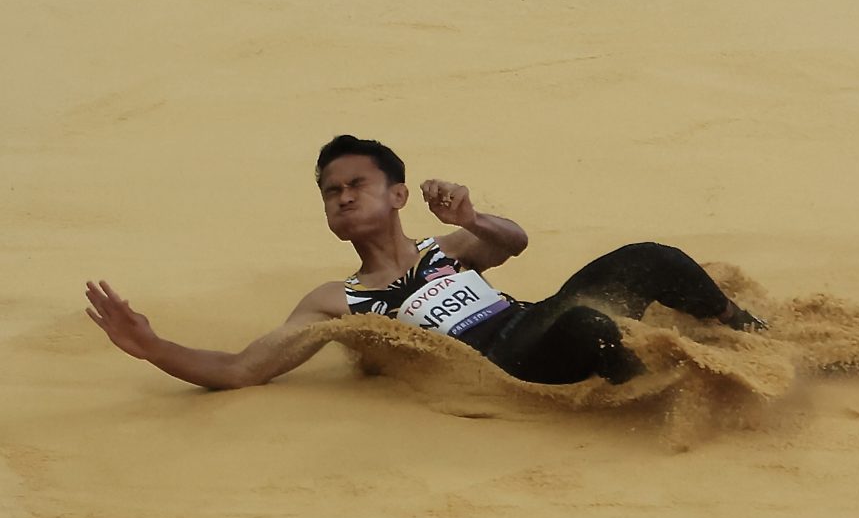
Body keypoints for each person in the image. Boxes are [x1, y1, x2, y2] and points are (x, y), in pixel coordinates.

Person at [85, 135, 766, 390]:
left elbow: (512, 243)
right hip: (503, 360)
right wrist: (151, 347)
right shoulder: (337, 300)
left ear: (398, 195)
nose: (343, 197)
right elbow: (239, 370)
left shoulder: (447, 248)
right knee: (586, 325)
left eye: (356, 184)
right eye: (331, 191)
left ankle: (747, 336)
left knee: (648, 258)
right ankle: (674, 386)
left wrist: (470, 218)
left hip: (534, 321)